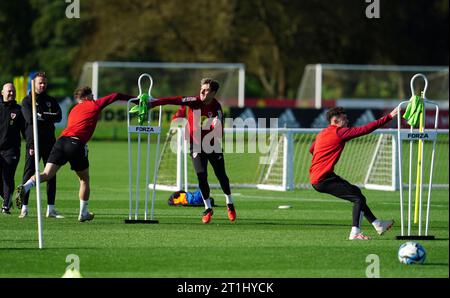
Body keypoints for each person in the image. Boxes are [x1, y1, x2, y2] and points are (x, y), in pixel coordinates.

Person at [16, 86, 135, 222]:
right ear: (87, 97)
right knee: (84, 179)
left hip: (60, 142)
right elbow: (116, 94)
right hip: (76, 144)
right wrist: (134, 99)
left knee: (47, 174)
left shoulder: (74, 109)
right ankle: (83, 213)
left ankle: (26, 186)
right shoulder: (94, 104)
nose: (93, 97)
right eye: (91, 95)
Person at [149, 78, 236, 224]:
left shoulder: (217, 107)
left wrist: (217, 126)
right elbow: (173, 100)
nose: (202, 91)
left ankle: (230, 203)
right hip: (195, 146)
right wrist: (153, 103)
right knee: (201, 176)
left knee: (222, 176)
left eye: (206, 89)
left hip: (213, 146)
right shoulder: (193, 101)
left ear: (213, 93)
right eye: (202, 88)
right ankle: (208, 209)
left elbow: (221, 134)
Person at [309, 106, 399, 240]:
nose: (347, 120)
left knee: (357, 193)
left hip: (321, 176)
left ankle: (377, 224)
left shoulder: (322, 133)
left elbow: (312, 149)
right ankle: (355, 233)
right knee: (357, 199)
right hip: (323, 179)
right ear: (335, 120)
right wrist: (389, 116)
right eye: (344, 119)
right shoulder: (339, 132)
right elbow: (365, 129)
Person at [18, 72, 62, 219]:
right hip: (33, 142)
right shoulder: (27, 101)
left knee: (51, 173)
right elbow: (30, 119)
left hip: (50, 142)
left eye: (44, 83)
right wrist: (46, 116)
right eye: (40, 83)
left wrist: (42, 116)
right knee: (29, 172)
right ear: (34, 83)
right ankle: (24, 207)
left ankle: (51, 209)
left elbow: (59, 116)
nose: (42, 85)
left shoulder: (50, 100)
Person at [0, 83, 25, 214]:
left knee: (7, 177)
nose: (11, 93)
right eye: (9, 91)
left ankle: (5, 206)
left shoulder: (18, 110)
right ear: (2, 93)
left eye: (13, 91)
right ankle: (8, 199)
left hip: (11, 150)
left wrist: (31, 145)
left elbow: (25, 131)